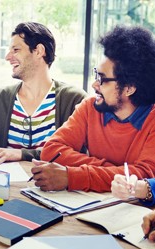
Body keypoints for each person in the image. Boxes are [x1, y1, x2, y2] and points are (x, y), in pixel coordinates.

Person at [32, 25, 155, 192]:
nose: (94, 84)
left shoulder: (152, 120)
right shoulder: (90, 107)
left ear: (129, 88)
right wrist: (111, 169)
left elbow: (145, 176)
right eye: (97, 74)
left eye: (102, 79)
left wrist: (73, 176)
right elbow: (52, 150)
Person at [0, 22, 87, 165]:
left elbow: (75, 155)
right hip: (5, 186)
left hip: (55, 187)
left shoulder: (74, 99)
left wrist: (22, 154)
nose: (8, 57)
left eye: (16, 50)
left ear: (38, 51)